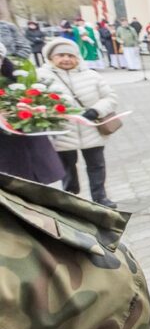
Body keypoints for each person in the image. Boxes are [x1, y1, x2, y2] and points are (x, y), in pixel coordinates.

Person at [36, 38, 119, 207]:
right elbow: (34, 101)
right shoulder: (41, 78)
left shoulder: (91, 75)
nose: (66, 59)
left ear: (77, 58)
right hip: (62, 131)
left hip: (91, 129)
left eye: (70, 55)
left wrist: (96, 110)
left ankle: (100, 197)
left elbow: (110, 97)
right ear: (51, 57)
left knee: (96, 165)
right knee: (67, 167)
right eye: (61, 55)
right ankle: (71, 197)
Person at [0, 42, 65, 186]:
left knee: (51, 195)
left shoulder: (20, 80)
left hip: (38, 154)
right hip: (7, 162)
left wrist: (38, 111)